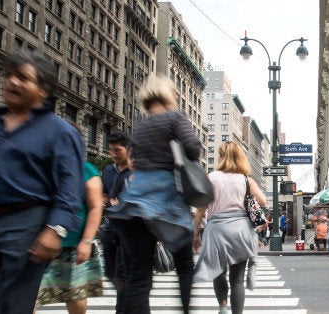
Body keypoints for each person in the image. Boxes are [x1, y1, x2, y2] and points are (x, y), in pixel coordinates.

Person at [0, 51, 84, 313]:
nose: (12, 82)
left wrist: (55, 229)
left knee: (12, 302)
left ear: (43, 90)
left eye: (23, 77)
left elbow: (70, 188)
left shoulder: (60, 132)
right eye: (9, 75)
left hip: (26, 225)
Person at [107, 75, 199, 314]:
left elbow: (134, 163)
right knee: (185, 267)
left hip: (133, 206)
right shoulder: (176, 118)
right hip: (166, 205)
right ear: (169, 96)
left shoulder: (140, 126)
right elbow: (193, 149)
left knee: (138, 277)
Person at [194, 141, 267, 314]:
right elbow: (263, 201)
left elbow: (200, 210)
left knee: (218, 272)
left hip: (216, 230)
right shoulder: (245, 179)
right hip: (240, 232)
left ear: (221, 157)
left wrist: (196, 234)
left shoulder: (211, 177)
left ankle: (223, 306)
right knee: (237, 280)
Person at [36, 160, 104, 312]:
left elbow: (95, 206)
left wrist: (86, 241)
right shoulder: (38, 164)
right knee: (27, 294)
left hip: (73, 244)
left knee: (75, 294)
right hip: (37, 242)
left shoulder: (86, 169)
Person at [100, 131, 132, 313]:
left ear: (128, 149)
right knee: (110, 272)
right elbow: (104, 195)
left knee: (123, 272)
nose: (113, 154)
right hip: (110, 228)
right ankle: (128, 302)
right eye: (110, 150)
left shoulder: (136, 172)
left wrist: (123, 204)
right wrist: (103, 201)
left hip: (129, 230)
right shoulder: (108, 171)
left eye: (117, 150)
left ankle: (123, 308)